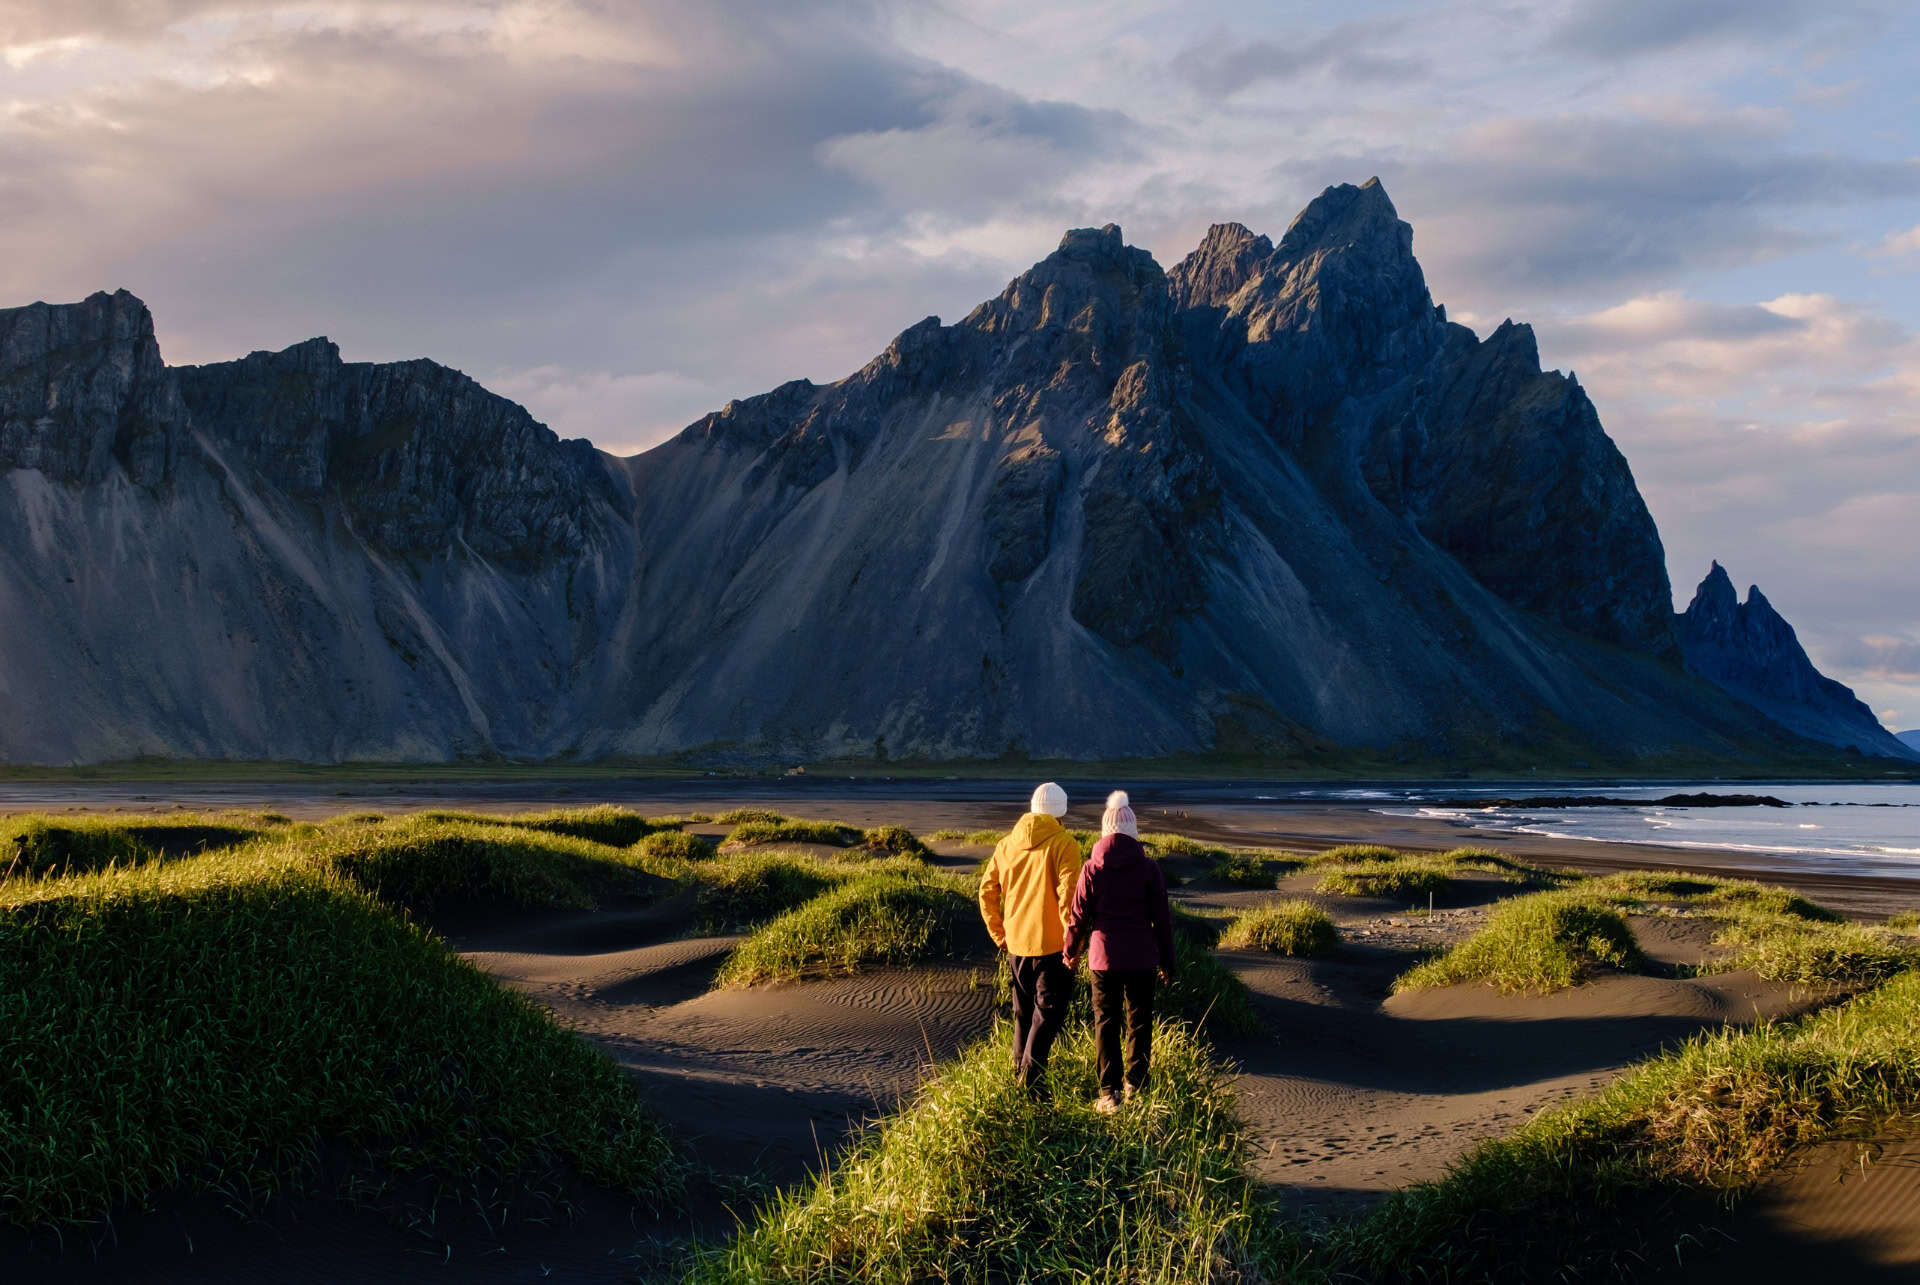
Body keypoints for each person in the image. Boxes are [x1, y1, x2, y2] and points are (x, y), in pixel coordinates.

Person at [1063, 790, 1175, 1113]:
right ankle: (1135, 1086)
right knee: (1139, 1022)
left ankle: (1108, 1094)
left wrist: (1070, 951)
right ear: (1133, 831)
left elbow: (1078, 915)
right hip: (1142, 958)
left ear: (1104, 830)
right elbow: (1162, 921)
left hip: (1103, 958)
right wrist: (1168, 961)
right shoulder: (1149, 869)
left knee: (1105, 1022)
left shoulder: (1091, 868)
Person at [977, 781, 1082, 1097]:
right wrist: (1071, 941)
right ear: (1061, 812)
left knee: (1024, 1015)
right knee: (1048, 1015)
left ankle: (1018, 1080)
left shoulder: (1007, 844)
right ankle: (1030, 1083)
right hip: (1051, 947)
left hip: (1016, 945)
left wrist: (999, 933)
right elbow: (1069, 897)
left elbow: (986, 891)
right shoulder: (1065, 844)